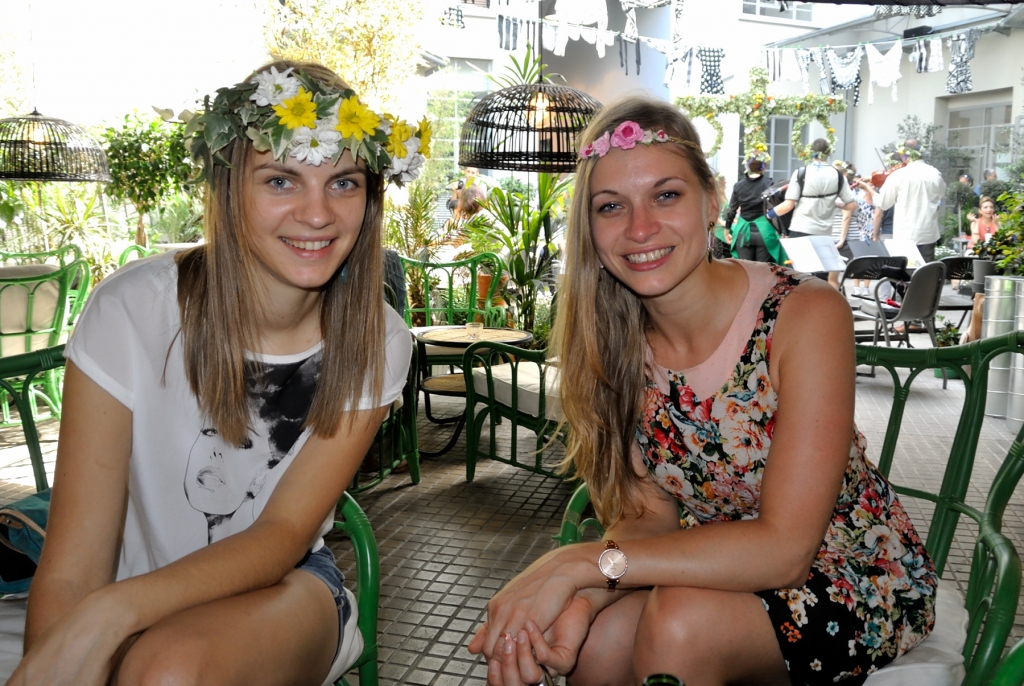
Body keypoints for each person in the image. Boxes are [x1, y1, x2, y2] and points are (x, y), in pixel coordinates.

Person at [469, 98, 936, 686]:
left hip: (852, 571)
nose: (640, 228)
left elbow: (786, 549)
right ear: (589, 229)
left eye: (666, 195)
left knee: (680, 622)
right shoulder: (612, 345)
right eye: (611, 206)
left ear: (712, 200)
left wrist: (579, 563)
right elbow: (649, 518)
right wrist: (588, 597)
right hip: (712, 566)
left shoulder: (803, 314)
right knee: (598, 644)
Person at [9, 60, 426, 686]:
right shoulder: (132, 310)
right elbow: (73, 563)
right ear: (228, 188)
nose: (318, 214)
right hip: (133, 586)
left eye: (344, 183)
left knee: (169, 668)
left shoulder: (377, 339)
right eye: (282, 180)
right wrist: (87, 624)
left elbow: (284, 533)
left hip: (287, 586)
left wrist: (109, 614)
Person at [767, 138, 855, 241]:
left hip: (801, 228)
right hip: (824, 233)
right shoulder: (839, 176)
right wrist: (836, 204)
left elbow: (788, 205)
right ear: (828, 153)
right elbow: (852, 205)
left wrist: (769, 215)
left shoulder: (801, 173)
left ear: (811, 152)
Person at [875, 138, 946, 262]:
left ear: (904, 155)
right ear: (922, 153)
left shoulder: (899, 175)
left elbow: (883, 204)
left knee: (904, 276)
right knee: (926, 273)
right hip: (927, 233)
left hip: (905, 235)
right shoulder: (935, 174)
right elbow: (940, 195)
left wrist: (870, 191)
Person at [724, 157, 784, 264]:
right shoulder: (769, 183)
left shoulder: (738, 185)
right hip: (764, 233)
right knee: (763, 270)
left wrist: (727, 229)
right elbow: (775, 208)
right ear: (763, 168)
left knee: (745, 270)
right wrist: (782, 230)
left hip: (743, 232)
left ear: (748, 167)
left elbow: (731, 209)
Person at [835, 165, 878, 296]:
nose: (872, 186)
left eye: (873, 184)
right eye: (869, 184)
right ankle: (856, 286)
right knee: (857, 260)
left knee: (869, 261)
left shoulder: (877, 198)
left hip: (870, 230)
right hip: (860, 230)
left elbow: (878, 215)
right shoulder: (857, 196)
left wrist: (876, 233)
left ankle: (866, 287)